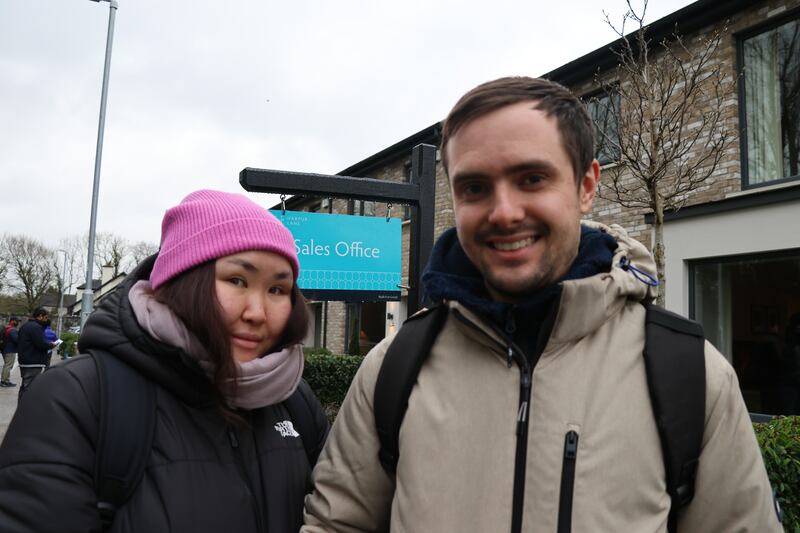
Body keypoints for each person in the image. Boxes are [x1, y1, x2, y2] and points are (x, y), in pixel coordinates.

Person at [302, 77, 781, 532]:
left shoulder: (690, 374)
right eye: (474, 187)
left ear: (586, 186)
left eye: (531, 178)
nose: (504, 212)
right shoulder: (393, 367)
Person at [0, 189, 330, 531]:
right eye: (236, 280)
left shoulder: (295, 402)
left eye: (277, 289)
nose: (258, 313)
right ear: (180, 281)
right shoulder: (78, 399)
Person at [15, 308, 55, 399]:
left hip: (25, 360)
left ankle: (21, 407)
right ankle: (25, 410)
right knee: (30, 387)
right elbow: (41, 344)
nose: (46, 320)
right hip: (32, 362)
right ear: (40, 316)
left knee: (25, 386)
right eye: (45, 317)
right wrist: (51, 345)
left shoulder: (25, 326)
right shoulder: (36, 327)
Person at [1, 317, 19, 387]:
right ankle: (5, 381)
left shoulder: (6, 328)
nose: (17, 323)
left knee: (6, 365)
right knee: (8, 366)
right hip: (10, 350)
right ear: (12, 321)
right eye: (16, 321)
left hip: (4, 349)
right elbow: (16, 340)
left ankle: (4, 380)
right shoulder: (12, 330)